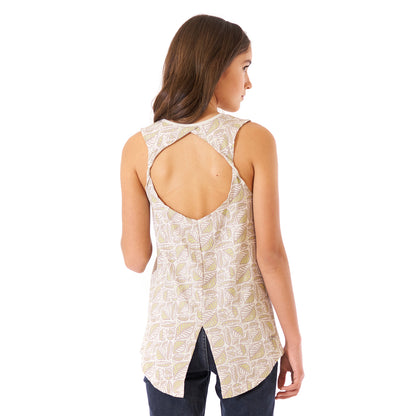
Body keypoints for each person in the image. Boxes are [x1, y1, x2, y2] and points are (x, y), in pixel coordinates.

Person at [120, 14, 304, 416]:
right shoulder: (254, 139)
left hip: (170, 338)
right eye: (245, 67)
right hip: (245, 334)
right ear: (217, 67)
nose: (249, 82)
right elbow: (271, 255)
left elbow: (135, 259)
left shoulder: (138, 148)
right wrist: (293, 340)